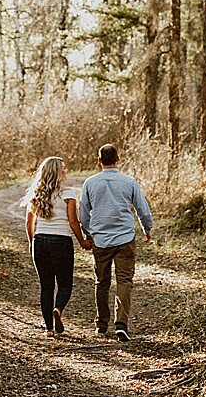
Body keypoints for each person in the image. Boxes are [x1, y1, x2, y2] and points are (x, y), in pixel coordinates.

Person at [79, 144, 153, 341]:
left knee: (101, 281)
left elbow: (84, 215)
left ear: (99, 160)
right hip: (125, 239)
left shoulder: (90, 183)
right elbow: (142, 210)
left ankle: (101, 324)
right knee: (124, 281)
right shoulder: (129, 182)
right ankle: (121, 323)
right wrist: (147, 230)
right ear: (118, 159)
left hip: (101, 239)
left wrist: (89, 235)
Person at [24, 157, 92, 338]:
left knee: (46, 287)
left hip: (40, 241)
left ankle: (49, 329)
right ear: (57, 172)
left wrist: (33, 243)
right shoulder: (68, 194)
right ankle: (58, 309)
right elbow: (73, 222)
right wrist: (83, 241)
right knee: (65, 284)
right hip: (61, 242)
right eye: (63, 168)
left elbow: (29, 223)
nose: (66, 170)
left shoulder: (35, 194)